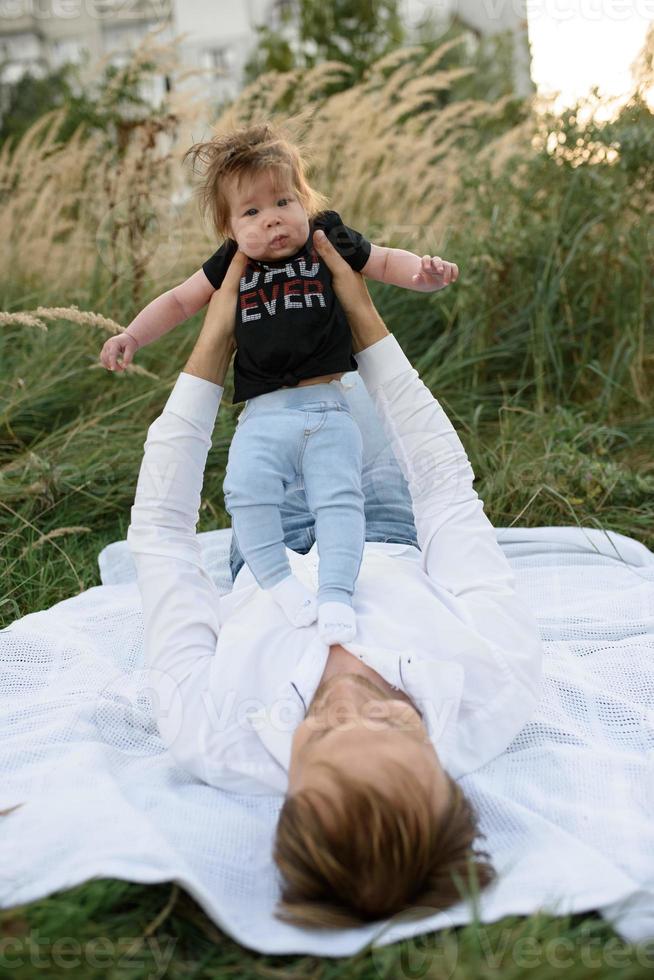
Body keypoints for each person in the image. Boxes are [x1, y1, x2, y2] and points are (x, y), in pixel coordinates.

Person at [126, 229, 544, 928]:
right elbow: (443, 490)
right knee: (337, 382)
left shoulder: (211, 732)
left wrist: (216, 339)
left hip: (268, 555)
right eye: (390, 719)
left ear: (286, 791)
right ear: (440, 767)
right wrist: (358, 310)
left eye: (319, 734)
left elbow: (163, 539)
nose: (348, 698)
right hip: (381, 519)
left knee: (279, 391)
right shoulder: (497, 683)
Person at [104, 121, 459, 646]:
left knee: (342, 499)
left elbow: (381, 259)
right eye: (251, 212)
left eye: (283, 201)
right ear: (229, 228)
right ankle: (276, 583)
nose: (272, 219)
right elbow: (180, 301)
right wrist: (132, 333)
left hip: (330, 408)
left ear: (304, 200)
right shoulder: (232, 263)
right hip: (264, 415)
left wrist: (420, 274)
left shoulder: (324, 238)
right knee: (245, 491)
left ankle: (337, 592)